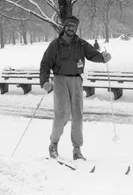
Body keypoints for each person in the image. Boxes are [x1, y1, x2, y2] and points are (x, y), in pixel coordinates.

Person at [40, 16, 112, 161]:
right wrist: (44, 82)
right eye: (69, 26)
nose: (71, 28)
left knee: (77, 116)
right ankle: (53, 145)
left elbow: (93, 55)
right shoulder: (55, 44)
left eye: (74, 26)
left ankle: (77, 149)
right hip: (60, 79)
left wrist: (103, 58)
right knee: (62, 115)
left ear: (76, 29)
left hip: (76, 80)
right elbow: (45, 64)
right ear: (64, 27)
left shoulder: (81, 44)